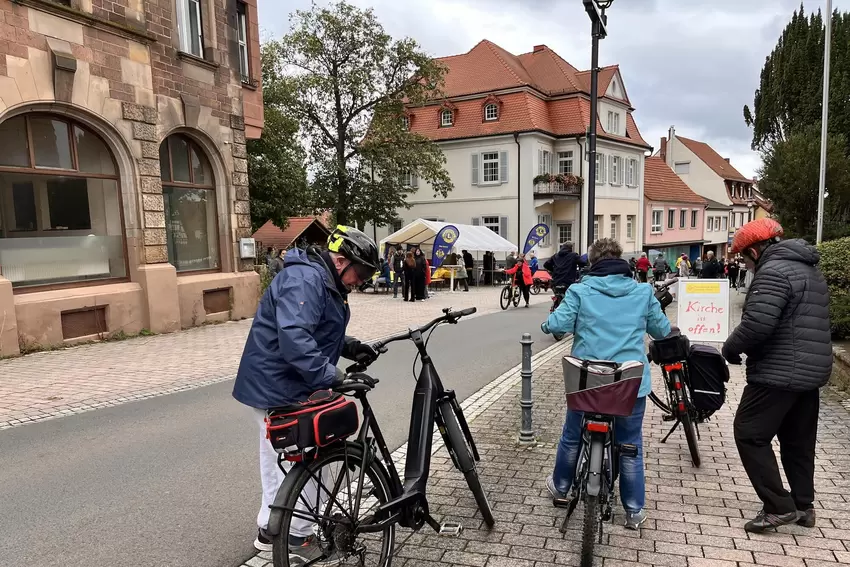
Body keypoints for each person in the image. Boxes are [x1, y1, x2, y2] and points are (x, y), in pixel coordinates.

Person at [232, 226, 381, 558]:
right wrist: (333, 376)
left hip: (289, 383)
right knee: (294, 459)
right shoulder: (306, 280)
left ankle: (278, 529)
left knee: (293, 457)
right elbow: (296, 339)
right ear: (341, 260)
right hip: (277, 385)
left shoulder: (322, 280)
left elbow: (317, 331)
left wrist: (351, 347)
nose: (363, 280)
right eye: (362, 272)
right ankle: (290, 536)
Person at [541, 238, 671, 530]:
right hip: (629, 384)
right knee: (630, 445)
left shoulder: (580, 290)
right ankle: (634, 511)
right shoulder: (642, 292)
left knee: (572, 436)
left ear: (592, 263)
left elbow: (558, 325)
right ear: (621, 261)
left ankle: (560, 486)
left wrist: (546, 325)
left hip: (587, 381)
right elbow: (662, 331)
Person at [721, 219, 831, 534]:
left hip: (777, 372)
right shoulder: (809, 269)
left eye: (744, 257)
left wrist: (730, 348)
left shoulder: (773, 272)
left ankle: (778, 507)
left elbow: (758, 324)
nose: (745, 264)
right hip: (810, 372)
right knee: (798, 441)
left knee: (749, 433)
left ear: (755, 251)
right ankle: (802, 505)